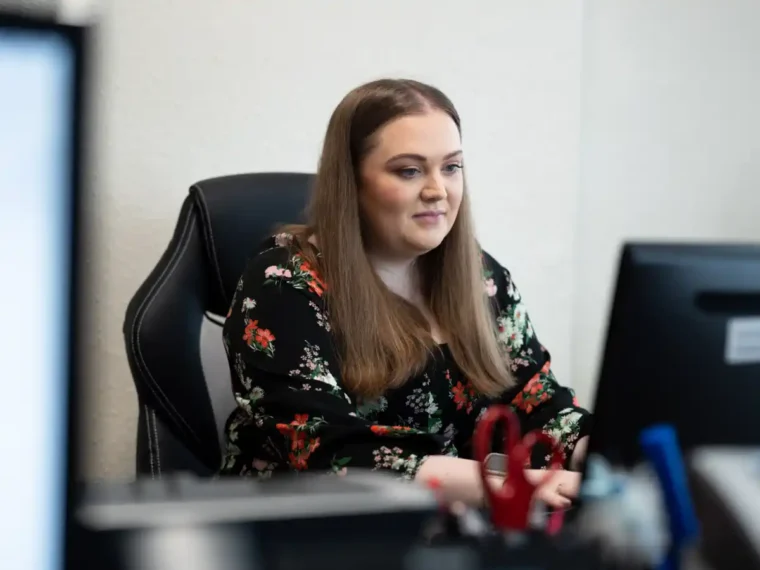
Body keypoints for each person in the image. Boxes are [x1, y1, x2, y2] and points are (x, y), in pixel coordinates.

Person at [219, 78, 592, 508]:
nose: (438, 190)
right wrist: (515, 485)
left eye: (451, 167)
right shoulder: (283, 284)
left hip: (445, 527)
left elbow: (535, 402)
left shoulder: (480, 276)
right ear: (352, 182)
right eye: (409, 170)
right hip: (303, 531)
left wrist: (600, 448)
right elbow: (331, 454)